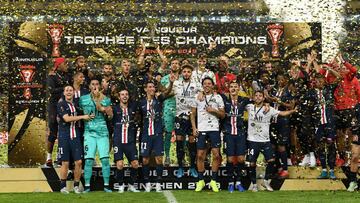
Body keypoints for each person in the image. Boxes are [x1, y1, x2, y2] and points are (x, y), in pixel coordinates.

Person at [246, 90, 297, 192]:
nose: (258, 97)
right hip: (252, 140)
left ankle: (265, 181)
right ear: (253, 97)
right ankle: (254, 184)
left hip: (265, 140)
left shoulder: (269, 109)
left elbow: (282, 113)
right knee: (251, 163)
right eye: (256, 95)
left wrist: (293, 111)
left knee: (271, 161)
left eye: (260, 96)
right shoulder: (249, 107)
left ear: (263, 98)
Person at [140, 77, 175, 192]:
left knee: (159, 158)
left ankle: (158, 182)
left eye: (153, 87)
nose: (152, 89)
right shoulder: (140, 103)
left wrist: (171, 82)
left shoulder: (159, 99)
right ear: (145, 89)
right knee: (145, 159)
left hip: (158, 134)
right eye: (149, 87)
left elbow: (167, 92)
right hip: (146, 134)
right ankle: (147, 182)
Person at [190, 77, 225, 192]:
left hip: (214, 129)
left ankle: (213, 181)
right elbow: (192, 114)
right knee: (200, 155)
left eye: (209, 84)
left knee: (216, 155)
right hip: (201, 129)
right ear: (202, 85)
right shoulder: (197, 97)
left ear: (213, 85)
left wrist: (213, 110)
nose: (207, 86)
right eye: (205, 84)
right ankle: (201, 181)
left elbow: (223, 115)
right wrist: (194, 128)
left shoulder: (218, 97)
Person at [79, 77, 113, 193]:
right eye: (93, 84)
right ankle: (87, 186)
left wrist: (102, 107)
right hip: (89, 133)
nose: (95, 86)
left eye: (97, 84)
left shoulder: (106, 99)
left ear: (100, 86)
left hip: (103, 133)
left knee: (105, 160)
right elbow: (78, 112)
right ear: (89, 86)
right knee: (88, 160)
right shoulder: (82, 99)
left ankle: (106, 186)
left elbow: (110, 116)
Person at [57, 85, 93, 194]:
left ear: (73, 93)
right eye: (67, 90)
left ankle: (76, 186)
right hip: (64, 137)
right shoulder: (61, 104)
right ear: (64, 93)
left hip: (76, 136)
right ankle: (63, 187)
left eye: (70, 90)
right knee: (65, 163)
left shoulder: (76, 104)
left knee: (79, 162)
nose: (69, 92)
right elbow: (66, 118)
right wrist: (83, 117)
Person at [221, 80, 252, 192]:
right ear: (228, 89)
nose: (233, 88)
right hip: (229, 133)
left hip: (240, 133)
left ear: (239, 89)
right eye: (231, 87)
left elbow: (258, 100)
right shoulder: (224, 99)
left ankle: (238, 182)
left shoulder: (244, 100)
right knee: (229, 159)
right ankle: (230, 182)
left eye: (235, 87)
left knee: (240, 159)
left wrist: (267, 104)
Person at [172, 64, 201, 178]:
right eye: (184, 71)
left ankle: (192, 166)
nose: (186, 73)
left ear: (191, 73)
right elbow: (168, 91)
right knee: (179, 142)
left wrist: (201, 93)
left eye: (188, 71)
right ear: (181, 73)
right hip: (179, 116)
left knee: (192, 142)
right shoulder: (176, 83)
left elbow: (203, 92)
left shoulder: (196, 85)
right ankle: (180, 166)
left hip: (192, 117)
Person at [113, 87, 140, 193]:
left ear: (129, 97)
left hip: (130, 141)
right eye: (122, 94)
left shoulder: (133, 107)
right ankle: (120, 185)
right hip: (118, 141)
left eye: (126, 94)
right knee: (119, 164)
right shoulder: (114, 109)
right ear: (119, 97)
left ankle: (131, 184)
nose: (124, 96)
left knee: (135, 164)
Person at [45, 57, 72, 167]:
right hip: (54, 106)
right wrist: (65, 88)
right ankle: (49, 156)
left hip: (65, 105)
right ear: (58, 65)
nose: (67, 65)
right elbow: (51, 90)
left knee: (64, 131)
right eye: (65, 63)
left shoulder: (68, 76)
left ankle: (60, 156)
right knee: (53, 131)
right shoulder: (52, 76)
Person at [160, 58, 180, 166]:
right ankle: (167, 156)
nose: (175, 65)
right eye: (173, 63)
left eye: (177, 63)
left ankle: (181, 157)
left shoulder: (183, 78)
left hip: (181, 108)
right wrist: (173, 91)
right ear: (170, 66)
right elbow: (164, 95)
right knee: (168, 133)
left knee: (181, 134)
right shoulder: (164, 79)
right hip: (168, 109)